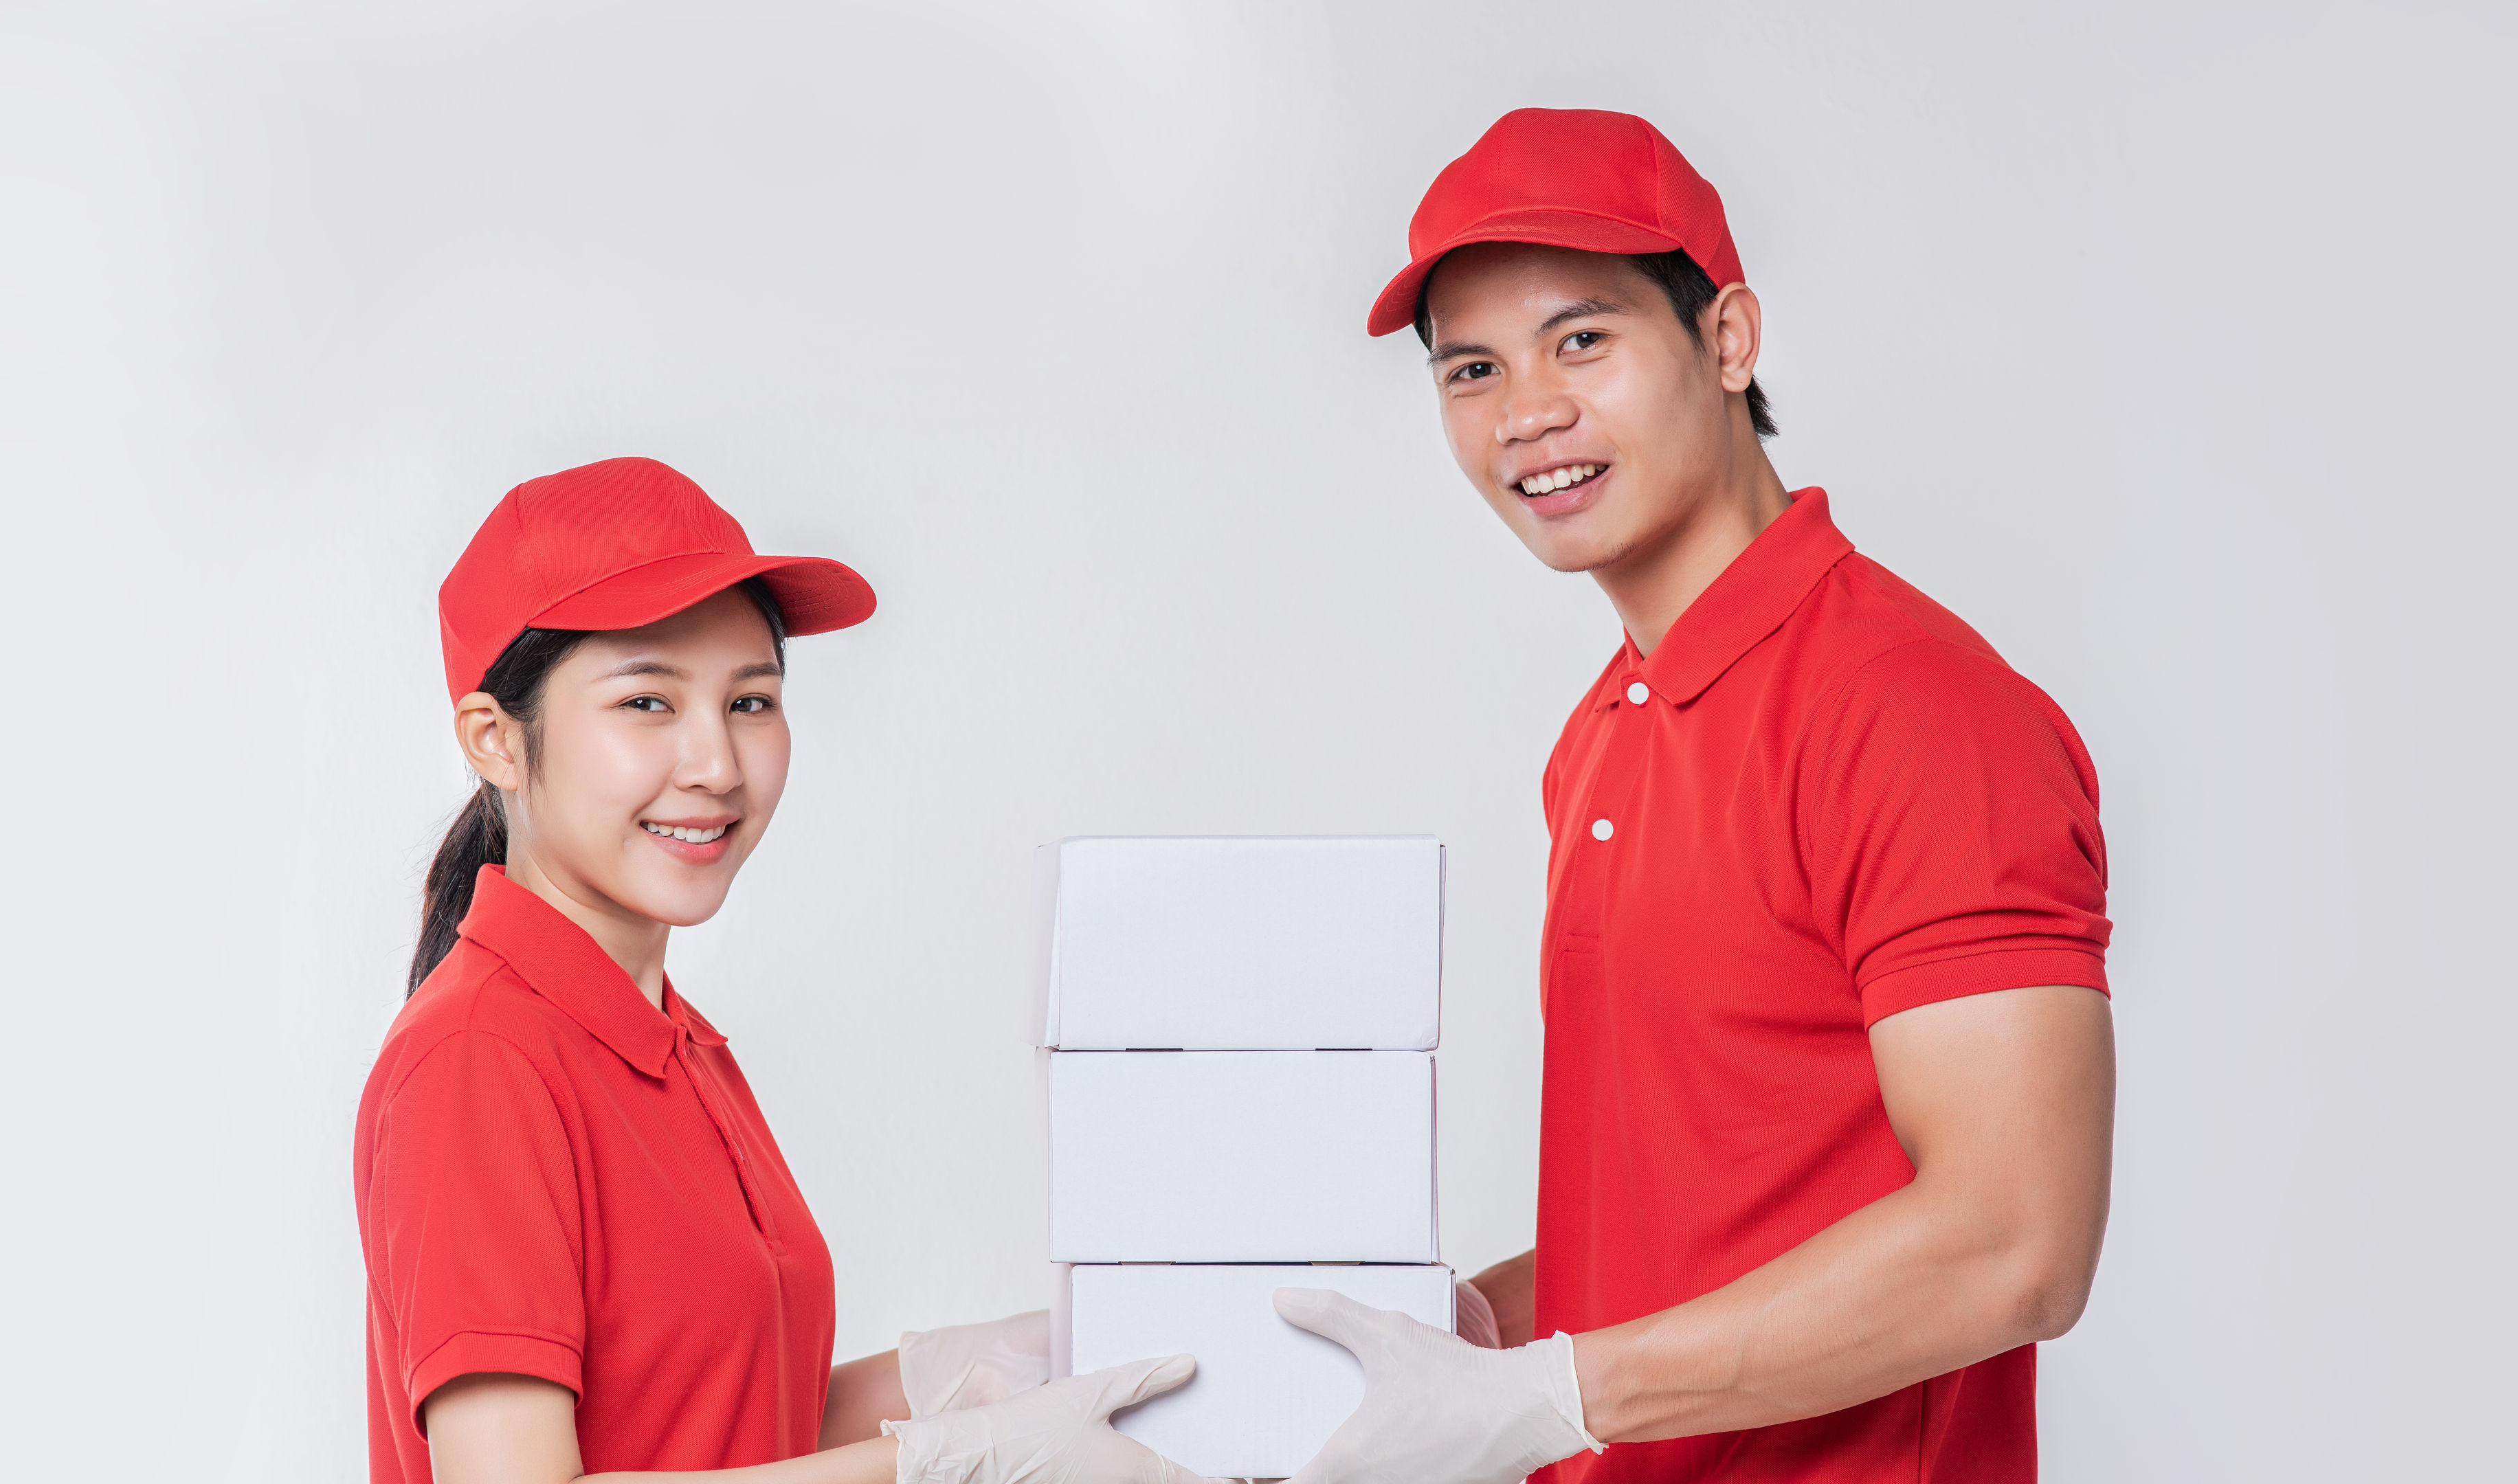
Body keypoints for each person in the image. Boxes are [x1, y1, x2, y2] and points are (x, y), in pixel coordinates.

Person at [1275, 109, 2117, 1483]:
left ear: (1728, 340)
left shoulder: (1915, 712)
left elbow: (2013, 1246)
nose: (1527, 413)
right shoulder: (1605, 731)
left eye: (1582, 339)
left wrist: (1554, 1394)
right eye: (1471, 369)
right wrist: (1464, 1336)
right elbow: (1707, 1216)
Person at [354, 456, 1210, 1484]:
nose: (717, 764)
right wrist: (941, 1467)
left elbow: (733, 1419)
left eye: (751, 702)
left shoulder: (675, 1043)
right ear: (495, 739)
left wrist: (972, 1375)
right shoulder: (481, 1058)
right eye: (647, 703)